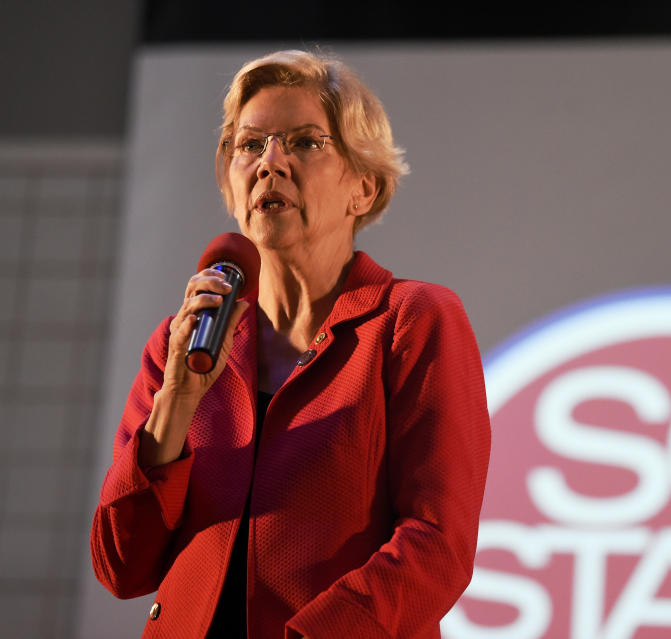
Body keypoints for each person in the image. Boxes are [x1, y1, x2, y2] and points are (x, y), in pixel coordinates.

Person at [90, 50, 491, 639]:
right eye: (250, 145)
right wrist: (176, 397)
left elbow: (438, 544)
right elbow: (122, 567)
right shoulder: (181, 342)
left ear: (364, 187)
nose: (269, 163)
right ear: (230, 179)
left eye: (304, 143)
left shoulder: (411, 320)